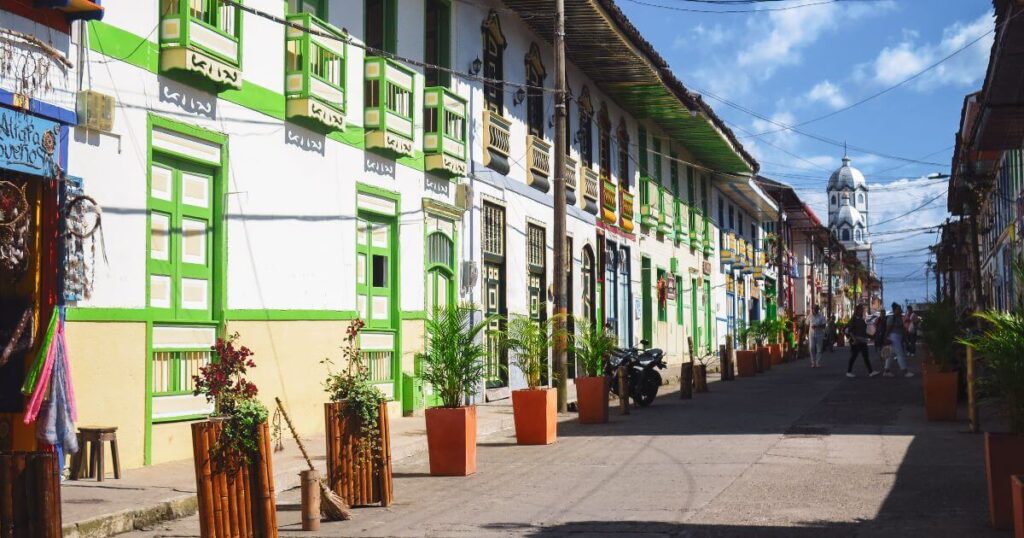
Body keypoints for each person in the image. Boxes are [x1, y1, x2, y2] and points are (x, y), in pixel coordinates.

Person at [845, 305, 879, 378]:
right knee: (854, 356)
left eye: (862, 310)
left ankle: (871, 372)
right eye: (861, 310)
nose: (862, 311)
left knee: (865, 356)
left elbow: (863, 331)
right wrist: (854, 339)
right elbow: (850, 330)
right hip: (856, 341)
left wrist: (871, 336)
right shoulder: (854, 319)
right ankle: (849, 371)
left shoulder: (861, 319)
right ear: (857, 311)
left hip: (862, 340)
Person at [883, 303, 913, 378]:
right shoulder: (892, 318)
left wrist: (905, 338)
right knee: (900, 354)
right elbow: (888, 329)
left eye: (900, 309)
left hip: (897, 337)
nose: (900, 310)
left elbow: (902, 329)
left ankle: (886, 371)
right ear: (894, 310)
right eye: (898, 309)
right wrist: (886, 338)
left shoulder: (899, 318)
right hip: (894, 337)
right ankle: (905, 371)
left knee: (890, 355)